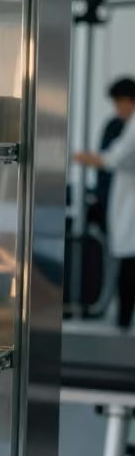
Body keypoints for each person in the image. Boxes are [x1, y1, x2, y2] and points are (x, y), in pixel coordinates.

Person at [74, 76, 135, 329]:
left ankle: (123, 321)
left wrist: (79, 157)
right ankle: (123, 321)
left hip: (129, 204)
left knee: (129, 263)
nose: (116, 110)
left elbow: (112, 159)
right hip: (126, 200)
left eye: (118, 103)